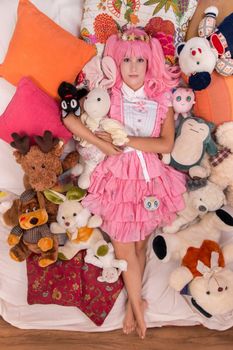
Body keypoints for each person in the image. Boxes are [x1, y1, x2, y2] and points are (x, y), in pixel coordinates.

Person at [63, 27, 186, 339]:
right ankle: (137, 304)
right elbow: (70, 118)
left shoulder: (162, 97)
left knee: (141, 244)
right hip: (117, 179)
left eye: (140, 61)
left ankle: (134, 306)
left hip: (151, 180)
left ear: (150, 64)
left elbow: (166, 144)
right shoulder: (108, 95)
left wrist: (125, 138)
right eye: (127, 60)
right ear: (116, 63)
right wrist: (104, 144)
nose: (133, 67)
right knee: (124, 246)